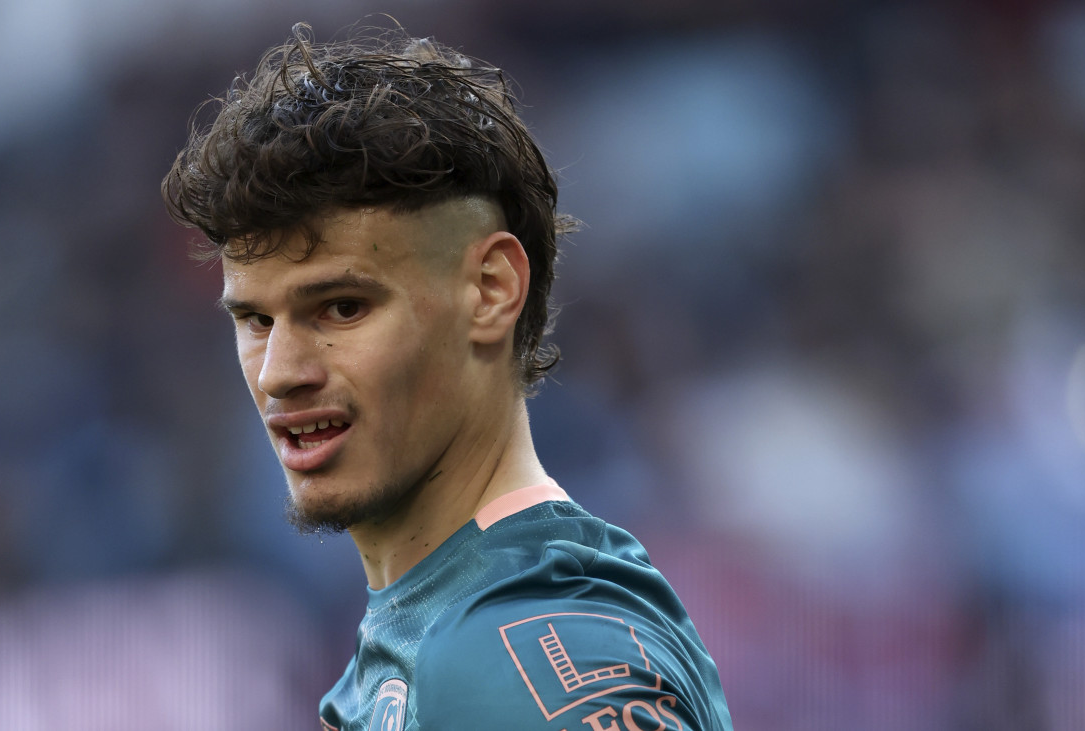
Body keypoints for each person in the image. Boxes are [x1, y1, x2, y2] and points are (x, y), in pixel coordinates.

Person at [161, 23, 733, 731]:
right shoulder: (446, 631)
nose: (280, 373)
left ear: (490, 291)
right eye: (255, 320)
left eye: (342, 307)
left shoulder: (516, 661)